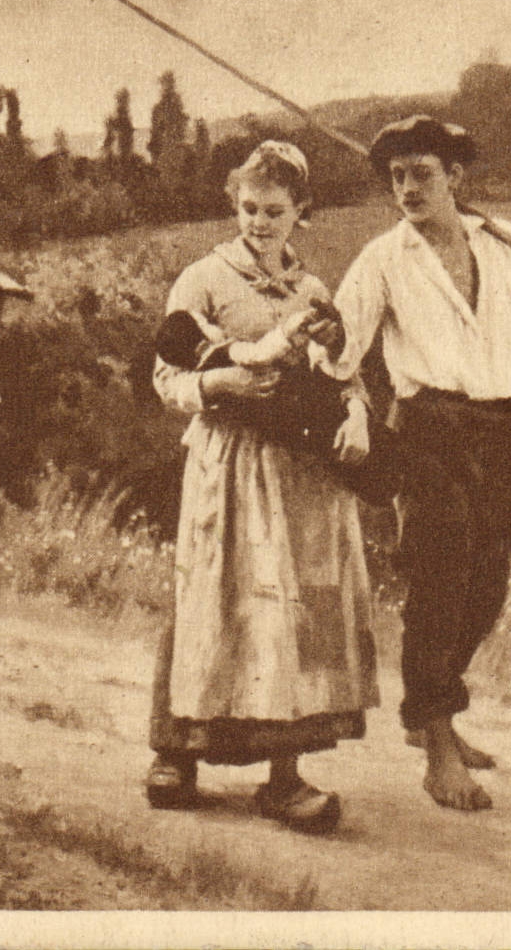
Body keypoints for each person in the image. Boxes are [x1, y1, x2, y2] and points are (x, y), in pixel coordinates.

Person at [318, 116, 511, 812]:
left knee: (486, 586)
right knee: (438, 579)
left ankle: (432, 712)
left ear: (455, 176)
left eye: (420, 173)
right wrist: (327, 336)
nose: (405, 188)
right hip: (425, 428)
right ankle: (434, 745)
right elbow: (340, 345)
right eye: (395, 176)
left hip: (494, 431)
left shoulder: (506, 242)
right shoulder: (382, 258)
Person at [146, 140, 380, 835]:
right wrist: (219, 381)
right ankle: (175, 753)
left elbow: (346, 369)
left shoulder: (311, 291)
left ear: (299, 211)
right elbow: (167, 377)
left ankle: (283, 776)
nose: (259, 222)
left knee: (296, 609)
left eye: (274, 211)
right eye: (248, 208)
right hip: (230, 463)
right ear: (233, 204)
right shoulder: (203, 279)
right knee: (213, 596)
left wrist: (360, 415)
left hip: (301, 473)